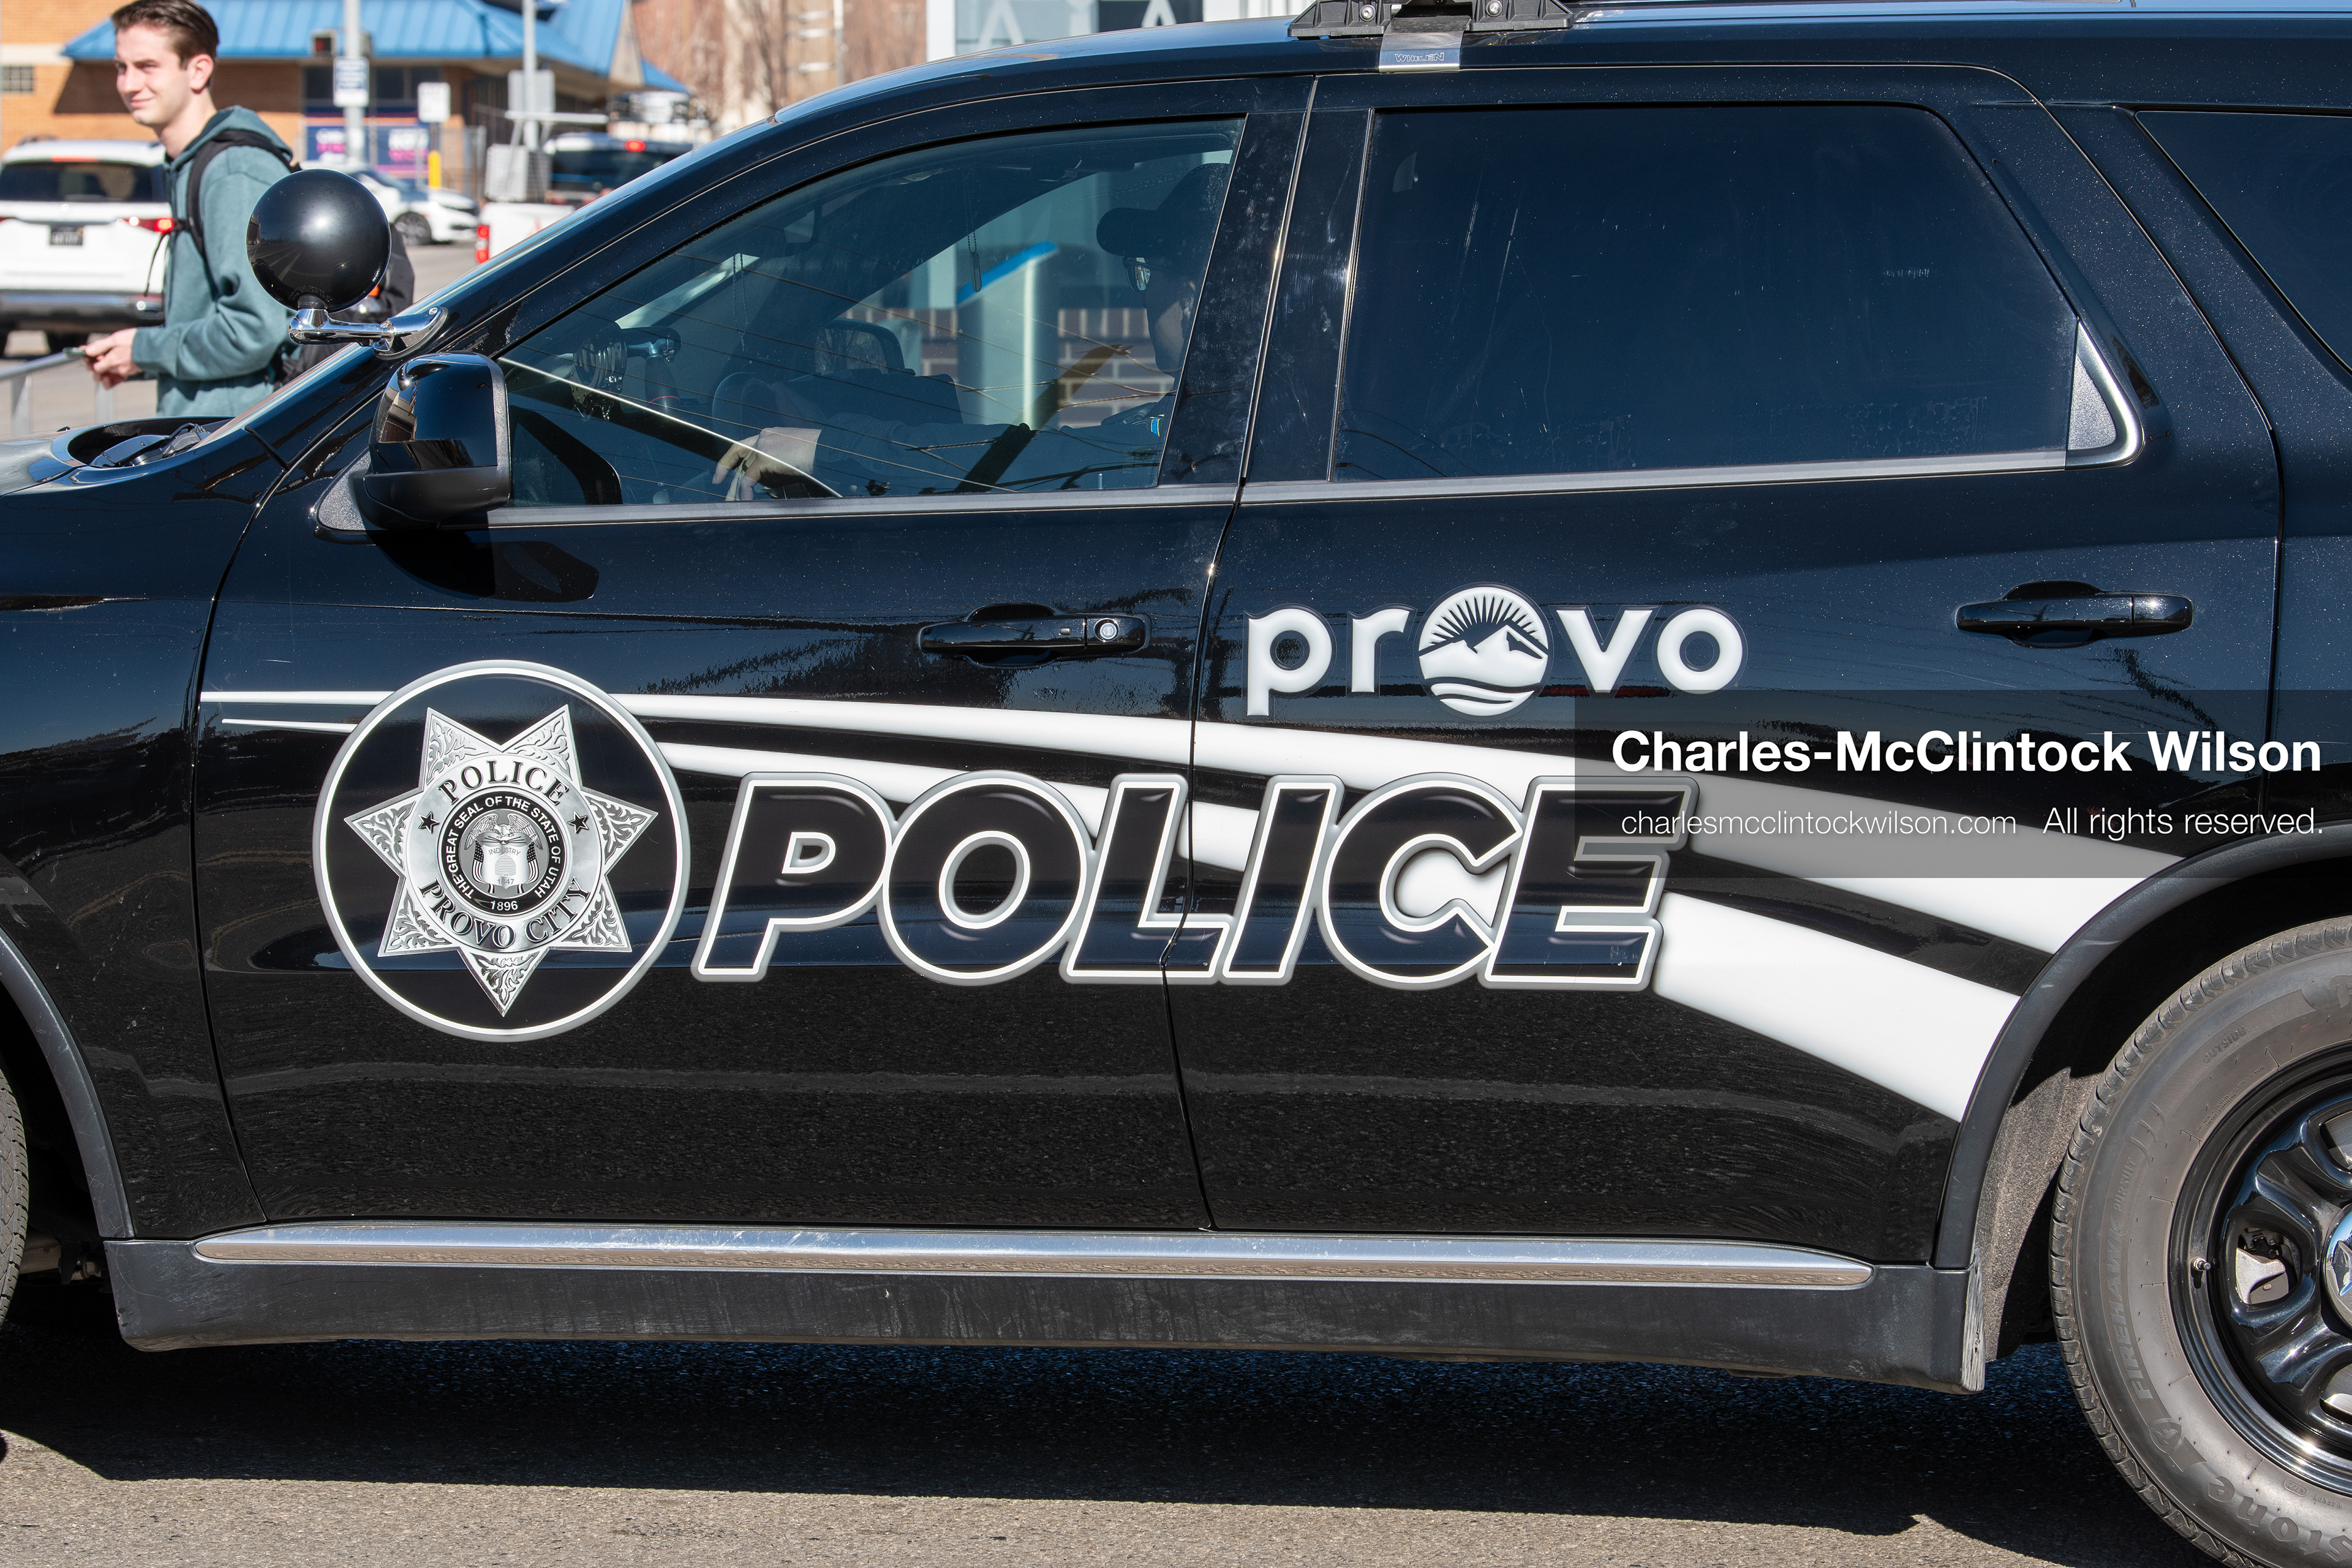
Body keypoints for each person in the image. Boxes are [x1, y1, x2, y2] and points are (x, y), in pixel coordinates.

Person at [85, 0, 293, 417]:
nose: (128, 84)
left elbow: (254, 330)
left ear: (198, 70)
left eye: (147, 66)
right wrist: (135, 358)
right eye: (121, 67)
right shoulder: (192, 164)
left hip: (235, 439)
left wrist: (144, 350)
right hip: (211, 429)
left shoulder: (233, 171)